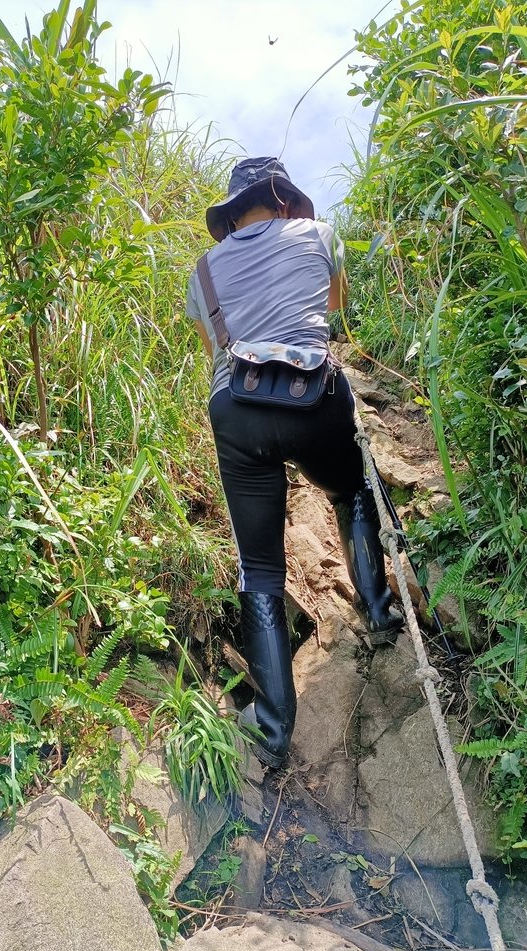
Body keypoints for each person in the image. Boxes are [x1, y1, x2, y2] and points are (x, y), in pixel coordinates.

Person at [186, 157, 403, 769]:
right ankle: (380, 612)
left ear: (232, 214)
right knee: (352, 491)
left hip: (237, 411)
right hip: (315, 398)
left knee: (258, 568)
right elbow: (335, 307)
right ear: (284, 200)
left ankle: (275, 731)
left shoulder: (203, 272)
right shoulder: (320, 233)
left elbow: (215, 352)